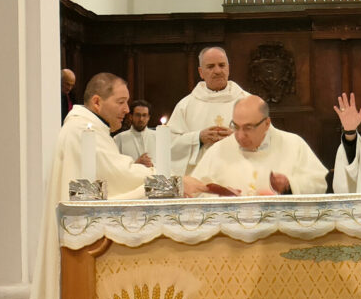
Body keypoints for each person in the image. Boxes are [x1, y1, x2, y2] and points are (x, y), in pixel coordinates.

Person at [19, 73, 153, 299]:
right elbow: (111, 177)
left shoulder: (85, 128)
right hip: (78, 243)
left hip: (77, 237)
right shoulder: (85, 130)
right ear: (97, 102)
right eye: (121, 102)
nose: (127, 109)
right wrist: (159, 182)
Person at [183, 96, 328, 196]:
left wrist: (289, 185)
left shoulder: (293, 144)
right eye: (236, 126)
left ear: (266, 123)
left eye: (248, 128)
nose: (239, 135)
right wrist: (222, 197)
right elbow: (198, 193)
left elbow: (319, 184)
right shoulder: (218, 150)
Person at [166, 47, 249, 175]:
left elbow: (266, 140)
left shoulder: (249, 101)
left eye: (222, 65)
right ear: (201, 72)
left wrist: (237, 138)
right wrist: (198, 138)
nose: (217, 71)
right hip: (201, 180)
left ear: (228, 68)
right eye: (210, 67)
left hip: (240, 176)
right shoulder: (186, 105)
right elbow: (169, 145)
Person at [114, 99, 155, 167]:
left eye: (144, 115)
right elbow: (115, 165)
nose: (141, 119)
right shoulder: (119, 139)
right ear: (131, 116)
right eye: (138, 115)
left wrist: (152, 165)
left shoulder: (158, 137)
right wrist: (135, 165)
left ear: (148, 117)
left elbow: (166, 162)